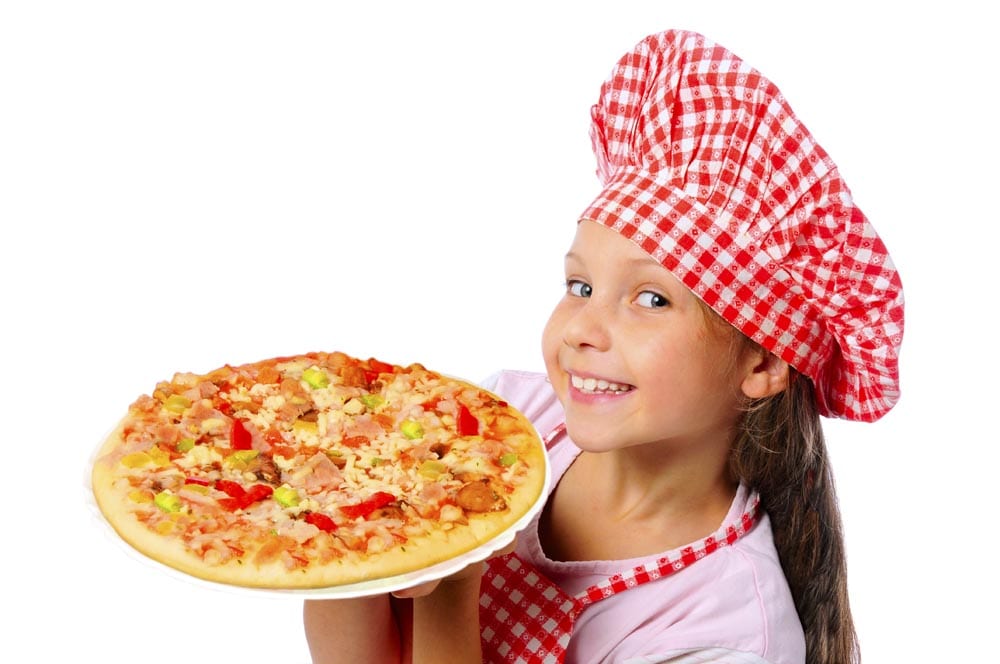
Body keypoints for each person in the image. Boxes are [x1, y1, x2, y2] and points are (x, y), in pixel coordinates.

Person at [303, 29, 904, 664]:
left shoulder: (724, 630)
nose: (582, 328)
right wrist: (349, 536)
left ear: (762, 361)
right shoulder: (505, 425)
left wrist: (454, 577)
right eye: (580, 285)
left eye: (651, 299)